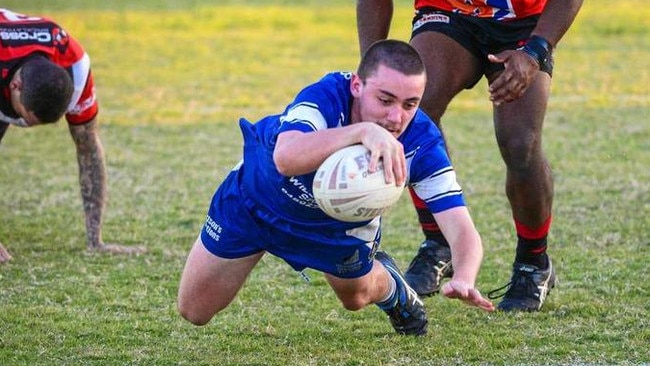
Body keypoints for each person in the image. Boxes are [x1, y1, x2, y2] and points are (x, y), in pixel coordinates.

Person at [177, 39, 495, 336]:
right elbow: (287, 157)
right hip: (255, 199)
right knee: (193, 311)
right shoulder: (328, 94)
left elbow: (461, 228)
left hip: (336, 228)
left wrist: (464, 278)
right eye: (385, 100)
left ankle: (394, 291)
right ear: (357, 85)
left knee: (355, 298)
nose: (397, 117)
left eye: (410, 104)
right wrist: (362, 132)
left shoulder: (421, 144)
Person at [356, 0, 583, 311]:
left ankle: (533, 261)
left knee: (520, 143)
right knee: (412, 115)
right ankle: (438, 243)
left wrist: (536, 50)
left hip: (524, 23)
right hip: (447, 13)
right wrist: (373, 65)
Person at [0, 8, 145, 263]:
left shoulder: (76, 67)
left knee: (86, 137)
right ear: (15, 86)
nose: (26, 127)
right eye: (26, 118)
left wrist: (95, 241)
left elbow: (88, 147)